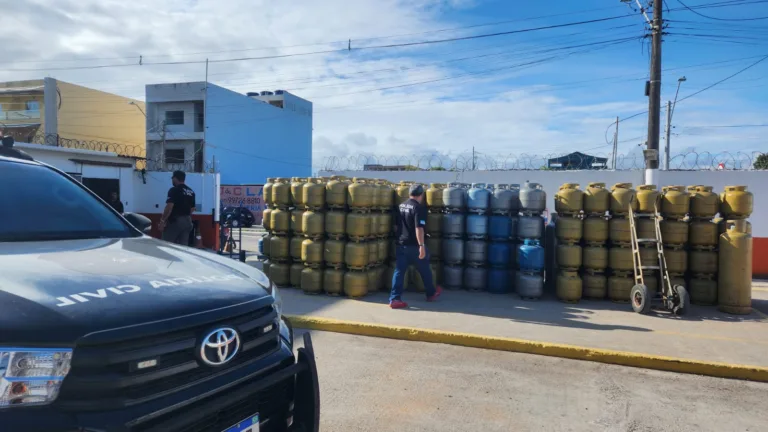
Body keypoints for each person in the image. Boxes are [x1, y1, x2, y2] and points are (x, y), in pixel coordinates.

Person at [390, 184, 443, 309]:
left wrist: (400, 238)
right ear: (421, 195)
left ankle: (394, 299)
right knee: (425, 269)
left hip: (401, 244)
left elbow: (396, 226)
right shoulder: (419, 208)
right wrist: (421, 245)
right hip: (414, 245)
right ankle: (431, 293)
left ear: (409, 194)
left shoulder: (401, 206)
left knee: (399, 272)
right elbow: (419, 228)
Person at [159, 170, 196, 246]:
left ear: (175, 178)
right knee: (183, 247)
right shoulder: (191, 191)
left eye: (172, 178)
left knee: (166, 245)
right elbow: (192, 208)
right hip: (188, 221)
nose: (172, 180)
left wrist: (162, 221)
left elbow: (169, 207)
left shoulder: (174, 190)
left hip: (176, 221)